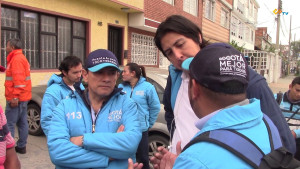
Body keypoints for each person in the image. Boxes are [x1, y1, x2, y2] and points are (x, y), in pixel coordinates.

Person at [152, 15, 295, 155]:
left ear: (198, 37)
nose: (177, 55)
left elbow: (284, 144)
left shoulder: (242, 79)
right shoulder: (176, 76)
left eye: (180, 44)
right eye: (169, 52)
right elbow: (172, 114)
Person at [47, 49, 142, 169]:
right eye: (99, 72)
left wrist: (83, 140)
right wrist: (108, 156)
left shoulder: (127, 105)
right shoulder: (65, 106)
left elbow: (130, 145)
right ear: (85, 75)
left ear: (117, 76)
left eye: (111, 73)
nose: (106, 78)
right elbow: (58, 153)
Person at [118, 63, 160, 169]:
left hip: (141, 129)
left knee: (142, 159)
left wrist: (148, 123)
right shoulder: (121, 87)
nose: (122, 74)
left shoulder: (148, 87)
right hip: (125, 128)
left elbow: (155, 107)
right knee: (126, 157)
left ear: (133, 73)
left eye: (125, 71)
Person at [41, 55, 84, 136]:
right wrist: (60, 142)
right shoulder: (53, 92)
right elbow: (47, 121)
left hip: (81, 139)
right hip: (65, 141)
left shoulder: (79, 86)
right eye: (75, 72)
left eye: (80, 71)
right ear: (64, 72)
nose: (79, 75)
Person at [4, 38, 32, 154]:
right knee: (22, 122)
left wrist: (15, 97)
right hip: (22, 97)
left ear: (12, 47)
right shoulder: (19, 58)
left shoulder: (17, 59)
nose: (6, 47)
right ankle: (21, 147)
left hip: (16, 98)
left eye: (7, 45)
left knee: (9, 123)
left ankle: (9, 148)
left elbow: (19, 82)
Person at [275, 76, 300, 160]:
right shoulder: (276, 99)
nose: (299, 94)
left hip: (297, 143)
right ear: (290, 86)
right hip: (278, 140)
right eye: (297, 90)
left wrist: (295, 133)